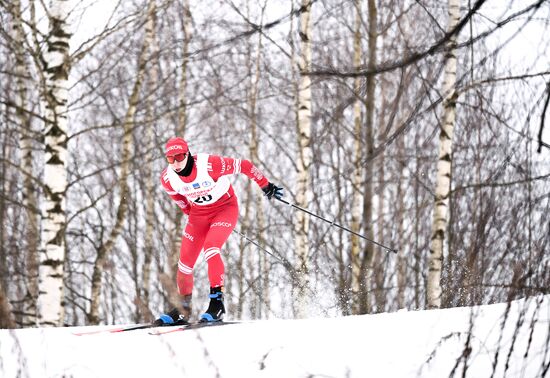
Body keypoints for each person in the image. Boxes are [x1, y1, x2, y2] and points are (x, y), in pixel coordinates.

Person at [154, 137, 283, 324]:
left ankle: (217, 304)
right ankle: (183, 309)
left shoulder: (209, 165)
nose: (176, 163)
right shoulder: (168, 178)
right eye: (170, 159)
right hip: (199, 215)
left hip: (224, 209)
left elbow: (244, 165)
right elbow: (178, 198)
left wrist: (265, 185)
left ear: (188, 153)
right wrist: (190, 213)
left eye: (180, 156)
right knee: (184, 263)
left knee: (211, 249)